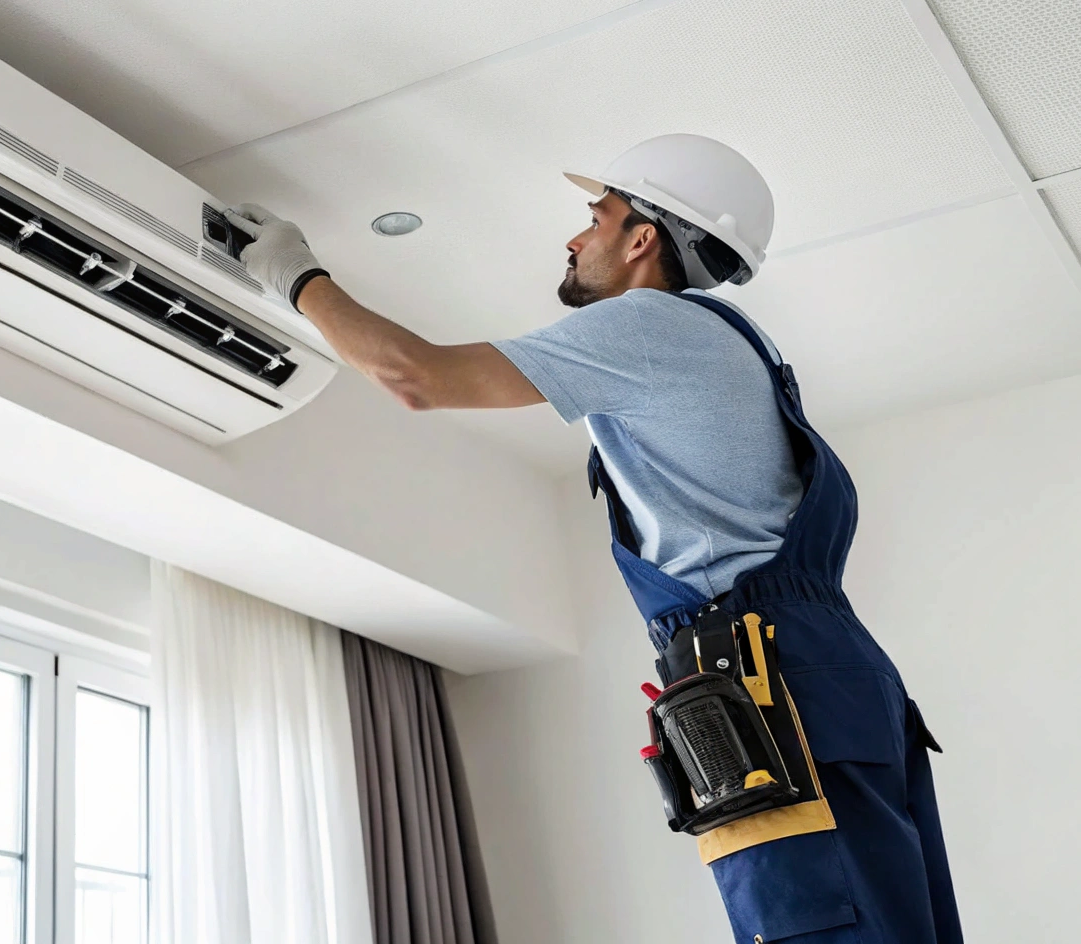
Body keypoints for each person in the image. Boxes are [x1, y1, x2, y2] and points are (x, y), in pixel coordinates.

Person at [226, 134, 961, 944]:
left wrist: (295, 276)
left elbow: (416, 376)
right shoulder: (727, 346)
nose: (576, 240)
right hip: (826, 677)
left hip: (771, 672)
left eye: (597, 217)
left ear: (643, 238)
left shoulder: (650, 324)